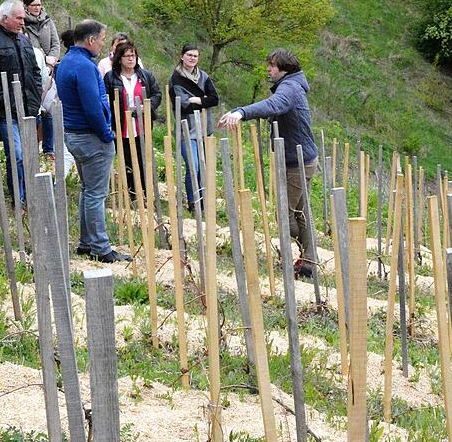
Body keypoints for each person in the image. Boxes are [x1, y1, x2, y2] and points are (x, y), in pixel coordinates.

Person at [219, 48, 317, 279]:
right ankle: (309, 263)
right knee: (300, 213)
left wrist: (242, 113)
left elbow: (273, 105)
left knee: (288, 216)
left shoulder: (289, 88)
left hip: (297, 162)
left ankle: (296, 256)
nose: (268, 70)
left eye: (272, 66)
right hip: (299, 159)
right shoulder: (292, 85)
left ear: (284, 68)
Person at [56, 19, 130, 263]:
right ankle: (100, 246)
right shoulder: (85, 67)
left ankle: (86, 242)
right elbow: (92, 107)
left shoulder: (66, 62)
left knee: (87, 190)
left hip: (74, 134)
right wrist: (107, 135)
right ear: (90, 40)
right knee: (97, 193)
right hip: (91, 136)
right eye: (100, 39)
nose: (101, 44)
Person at [0, 0, 43, 204]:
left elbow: (35, 71)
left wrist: (37, 92)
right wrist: (7, 99)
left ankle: (31, 195)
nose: (23, 22)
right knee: (16, 155)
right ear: (5, 18)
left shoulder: (24, 41)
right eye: (19, 18)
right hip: (6, 111)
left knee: (30, 156)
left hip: (29, 108)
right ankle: (18, 197)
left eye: (23, 17)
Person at [103, 40, 160, 199]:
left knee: (144, 158)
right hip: (121, 125)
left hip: (141, 124)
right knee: (127, 159)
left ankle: (146, 192)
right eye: (127, 56)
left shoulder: (145, 75)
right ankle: (132, 194)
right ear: (119, 58)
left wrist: (146, 106)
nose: (130, 59)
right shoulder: (111, 77)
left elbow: (156, 95)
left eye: (133, 55)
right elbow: (104, 99)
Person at [169, 44, 219, 210]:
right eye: (189, 55)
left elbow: (214, 99)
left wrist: (196, 100)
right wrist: (202, 100)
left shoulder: (204, 76)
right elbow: (182, 104)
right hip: (186, 130)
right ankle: (193, 202)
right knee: (194, 166)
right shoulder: (175, 79)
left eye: (195, 56)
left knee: (204, 168)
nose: (192, 58)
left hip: (205, 128)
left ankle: (204, 200)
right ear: (182, 56)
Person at [22, 0, 58, 155]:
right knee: (35, 107)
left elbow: (55, 43)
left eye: (39, 5)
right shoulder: (23, 23)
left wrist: (51, 61)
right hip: (33, 68)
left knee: (49, 108)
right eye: (34, 5)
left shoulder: (48, 21)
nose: (37, 8)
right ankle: (32, 147)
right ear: (27, 7)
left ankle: (48, 148)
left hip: (49, 68)